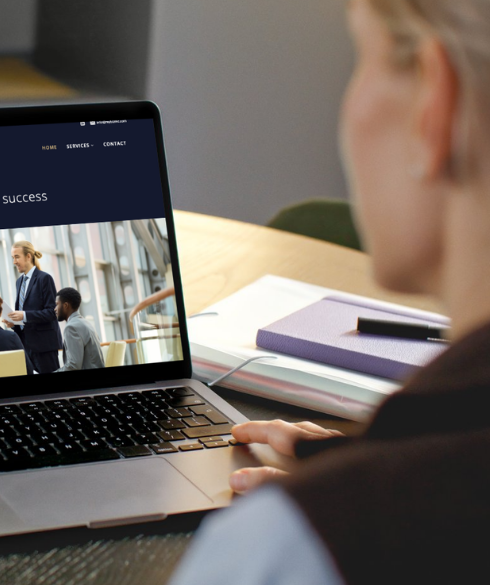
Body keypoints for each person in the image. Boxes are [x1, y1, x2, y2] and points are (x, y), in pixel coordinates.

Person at [169, 1, 490, 583]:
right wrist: (377, 461)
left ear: (433, 105)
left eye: (360, 58)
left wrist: (355, 489)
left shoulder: (295, 552)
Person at [4, 240, 62, 374]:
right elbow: (25, 316)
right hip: (26, 346)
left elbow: (52, 313)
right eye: (13, 258)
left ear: (28, 256)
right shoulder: (19, 282)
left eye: (17, 257)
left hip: (44, 346)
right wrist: (14, 323)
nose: (14, 262)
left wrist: (24, 315)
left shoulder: (44, 279)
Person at [54, 287, 105, 372]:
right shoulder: (85, 322)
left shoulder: (71, 327)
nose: (55, 309)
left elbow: (73, 366)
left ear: (66, 305)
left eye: (57, 304)